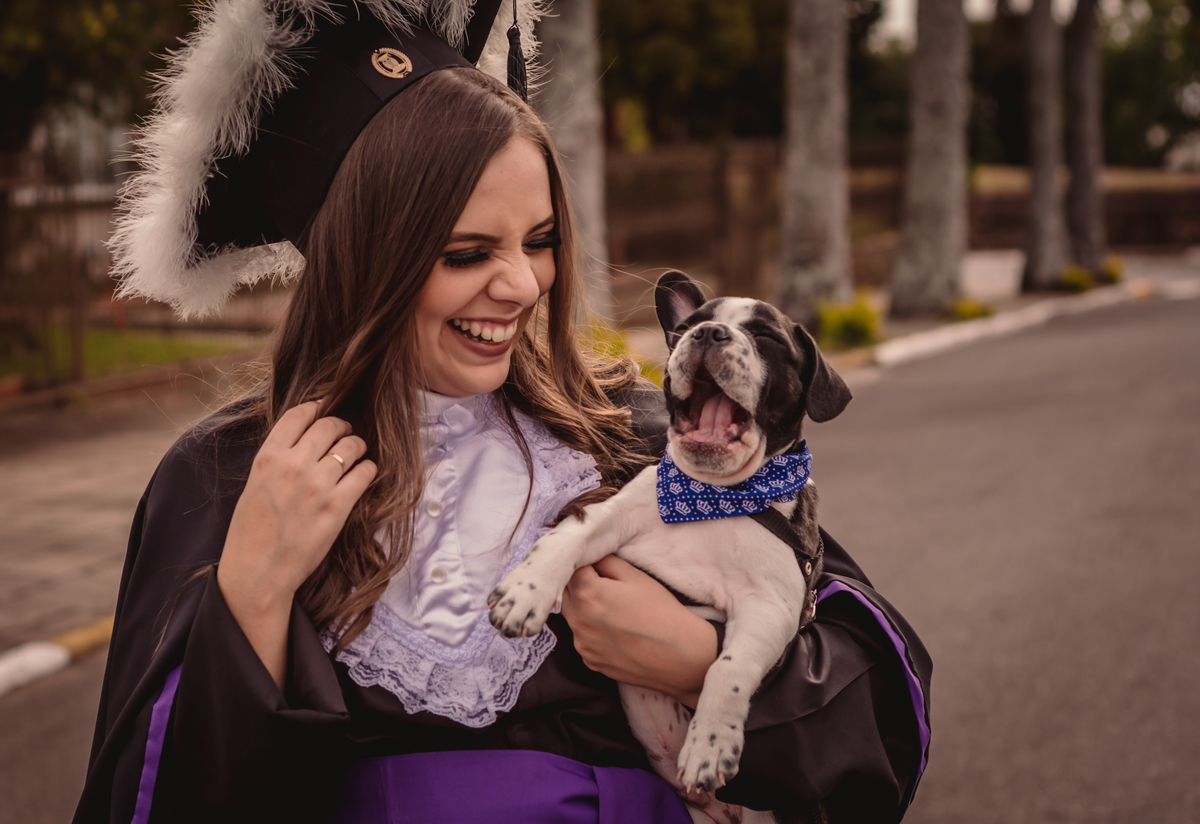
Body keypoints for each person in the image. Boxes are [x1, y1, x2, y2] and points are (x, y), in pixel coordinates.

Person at [74, 2, 931, 823]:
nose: (522, 285)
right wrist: (254, 587)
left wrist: (698, 662)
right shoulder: (220, 483)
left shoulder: (638, 438)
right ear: (361, 267)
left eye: (541, 240)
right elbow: (160, 802)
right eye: (466, 252)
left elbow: (878, 706)